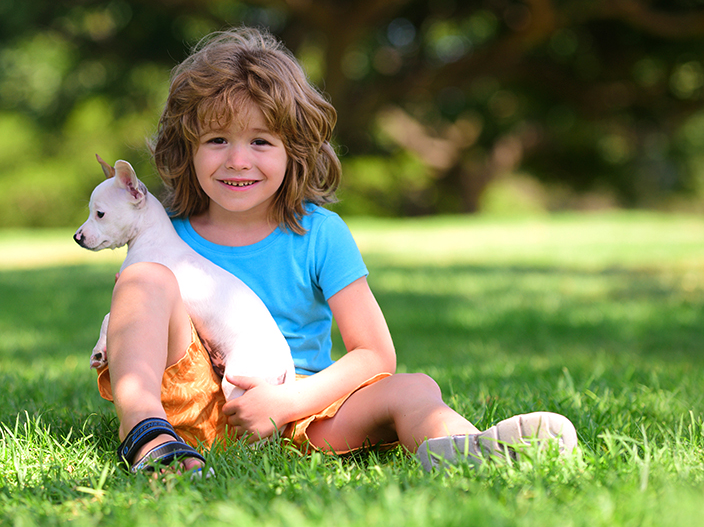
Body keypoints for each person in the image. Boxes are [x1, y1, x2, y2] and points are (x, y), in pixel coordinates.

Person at [96, 27, 577, 475]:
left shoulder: (319, 234)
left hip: (309, 413)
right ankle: (143, 432)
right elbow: (139, 321)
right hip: (194, 408)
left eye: (261, 141)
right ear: (188, 148)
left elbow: (374, 353)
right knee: (145, 278)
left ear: (294, 151)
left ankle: (464, 447)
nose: (237, 160)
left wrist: (285, 404)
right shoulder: (168, 235)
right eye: (217, 140)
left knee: (415, 387)